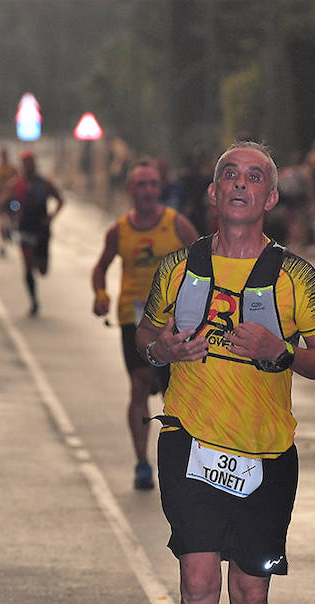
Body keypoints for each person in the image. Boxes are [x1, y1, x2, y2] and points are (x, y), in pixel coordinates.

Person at [135, 141, 315, 604]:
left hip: (266, 455)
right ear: (212, 190)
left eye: (255, 177)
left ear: (271, 198)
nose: (239, 185)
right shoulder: (178, 270)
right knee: (198, 579)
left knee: (249, 594)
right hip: (190, 441)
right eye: (230, 174)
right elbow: (148, 337)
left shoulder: (296, 277)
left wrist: (279, 351)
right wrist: (163, 349)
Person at [91, 160, 200, 491]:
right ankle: (141, 461)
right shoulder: (119, 231)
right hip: (134, 319)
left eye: (153, 184)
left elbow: (205, 262)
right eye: (141, 185)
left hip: (175, 321)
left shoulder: (177, 225)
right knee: (139, 384)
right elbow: (100, 268)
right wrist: (100, 294)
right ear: (130, 191)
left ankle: (180, 460)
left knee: (175, 392)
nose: (148, 191)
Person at [0, 151, 64, 315]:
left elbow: (61, 200)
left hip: (41, 229)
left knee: (42, 269)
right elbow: (1, 203)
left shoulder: (45, 184)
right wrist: (8, 218)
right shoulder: (16, 184)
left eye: (31, 163)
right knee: (27, 265)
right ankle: (33, 300)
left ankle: (37, 262)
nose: (28, 166)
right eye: (25, 163)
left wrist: (51, 218)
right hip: (25, 227)